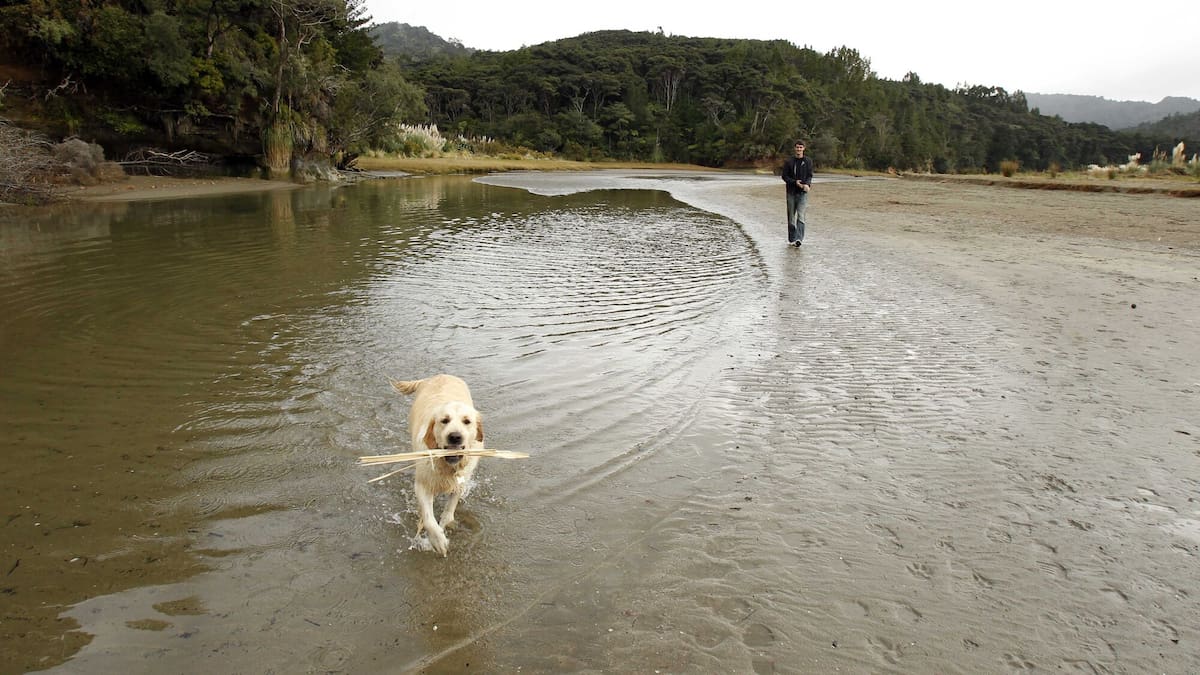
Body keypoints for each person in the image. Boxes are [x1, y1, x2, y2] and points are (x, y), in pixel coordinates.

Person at [781, 140, 813, 247]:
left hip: (803, 193)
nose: (799, 149)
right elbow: (784, 177)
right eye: (797, 147)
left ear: (804, 148)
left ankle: (799, 239)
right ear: (795, 148)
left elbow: (810, 175)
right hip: (791, 192)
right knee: (791, 217)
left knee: (801, 216)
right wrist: (795, 182)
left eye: (801, 147)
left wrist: (807, 185)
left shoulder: (808, 161)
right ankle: (792, 239)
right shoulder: (789, 161)